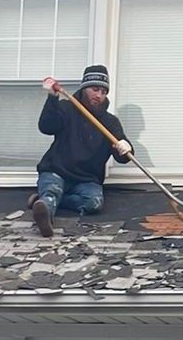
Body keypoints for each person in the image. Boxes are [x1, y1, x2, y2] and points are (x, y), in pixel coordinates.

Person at [31, 66, 133, 237]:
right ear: (84, 88)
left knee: (94, 203)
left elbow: (123, 158)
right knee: (52, 190)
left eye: (103, 91)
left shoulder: (110, 122)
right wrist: (52, 98)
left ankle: (41, 201)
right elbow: (46, 127)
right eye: (95, 89)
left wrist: (125, 147)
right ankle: (45, 213)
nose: (99, 95)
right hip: (56, 170)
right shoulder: (65, 108)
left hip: (86, 179)